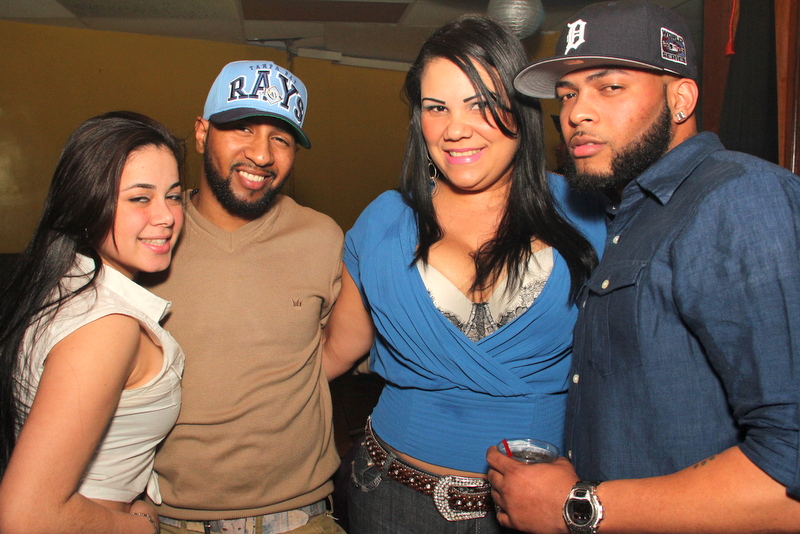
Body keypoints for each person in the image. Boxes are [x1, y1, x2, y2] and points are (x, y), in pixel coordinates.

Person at [486, 1, 800, 533]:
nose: (576, 114)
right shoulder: (626, 212)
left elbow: (789, 472)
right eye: (567, 94)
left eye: (610, 87)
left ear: (681, 99)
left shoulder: (740, 199)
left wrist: (575, 507)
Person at [322, 14, 606, 533]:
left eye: (481, 104)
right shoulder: (384, 222)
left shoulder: (587, 214)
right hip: (390, 497)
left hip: (537, 508)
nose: (456, 129)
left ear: (521, 109)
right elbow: (336, 351)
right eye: (437, 108)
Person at [139, 60, 345, 534]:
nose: (261, 154)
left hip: (301, 518)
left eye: (281, 139)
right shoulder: (151, 238)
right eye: (242, 128)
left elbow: (340, 345)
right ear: (201, 133)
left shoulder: (322, 237)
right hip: (171, 519)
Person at [0, 111, 185, 534]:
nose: (166, 216)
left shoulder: (59, 281)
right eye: (140, 198)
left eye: (174, 196)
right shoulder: (106, 327)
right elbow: (25, 516)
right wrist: (144, 525)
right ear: (86, 203)